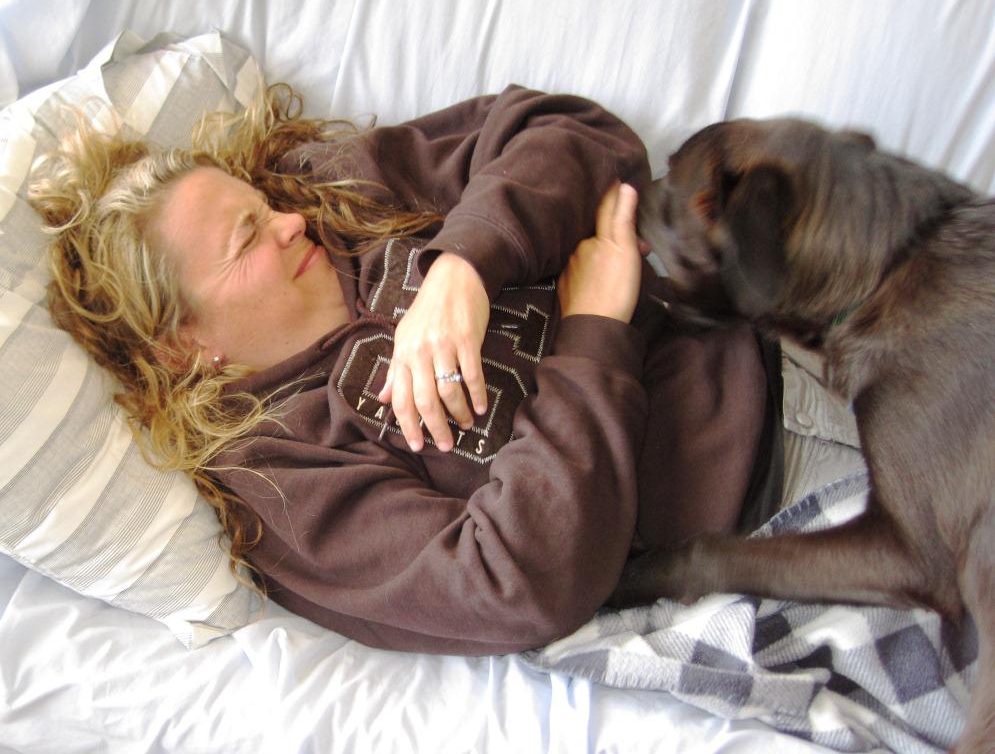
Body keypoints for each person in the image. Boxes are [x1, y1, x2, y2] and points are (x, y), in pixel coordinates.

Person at [31, 84, 774, 655]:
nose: (288, 222)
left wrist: (462, 267)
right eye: (247, 236)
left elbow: (578, 133)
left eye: (262, 206)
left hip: (764, 310)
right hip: (758, 512)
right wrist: (592, 334)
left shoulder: (337, 197)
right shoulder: (277, 472)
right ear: (182, 346)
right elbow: (515, 585)